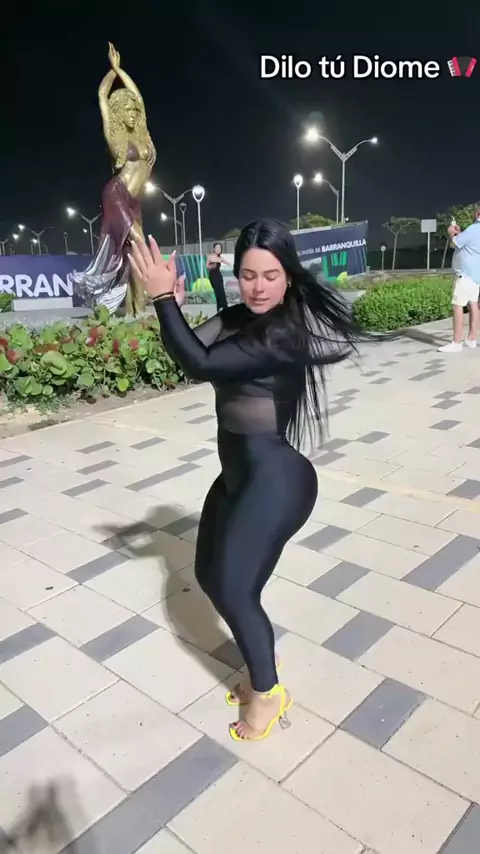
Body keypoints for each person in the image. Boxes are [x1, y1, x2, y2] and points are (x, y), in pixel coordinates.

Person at [129, 219, 381, 742]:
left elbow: (200, 362)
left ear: (288, 276)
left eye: (270, 275)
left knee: (237, 590)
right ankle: (261, 658)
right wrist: (173, 306)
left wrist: (162, 300)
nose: (259, 287)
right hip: (237, 477)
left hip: (277, 481)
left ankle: (267, 691)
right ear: (237, 275)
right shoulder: (239, 317)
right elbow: (191, 351)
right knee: (209, 574)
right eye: (248, 275)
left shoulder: (281, 331)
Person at [70, 43, 156, 316]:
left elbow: (138, 97)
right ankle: (140, 307)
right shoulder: (116, 136)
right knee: (141, 246)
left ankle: (135, 312)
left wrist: (122, 71)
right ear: (118, 112)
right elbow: (102, 95)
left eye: (133, 111)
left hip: (135, 203)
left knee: (132, 259)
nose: (132, 113)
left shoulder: (142, 133)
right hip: (116, 194)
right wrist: (112, 70)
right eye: (126, 110)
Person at [439, 205, 480, 353]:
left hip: (465, 274)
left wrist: (452, 232)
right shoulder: (474, 231)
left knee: (458, 305)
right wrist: (461, 233)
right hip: (476, 275)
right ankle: (471, 339)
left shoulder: (474, 229)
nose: (472, 214)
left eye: (474, 211)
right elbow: (469, 243)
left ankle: (456, 342)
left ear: (478, 213)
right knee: (473, 305)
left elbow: (455, 243)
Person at [206, 242, 230, 310]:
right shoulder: (210, 256)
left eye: (220, 247)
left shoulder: (220, 257)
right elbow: (207, 267)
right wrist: (212, 265)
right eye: (217, 247)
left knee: (221, 291)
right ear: (214, 248)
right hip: (213, 276)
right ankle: (222, 307)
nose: (218, 249)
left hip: (219, 276)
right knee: (217, 292)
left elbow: (228, 263)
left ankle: (222, 307)